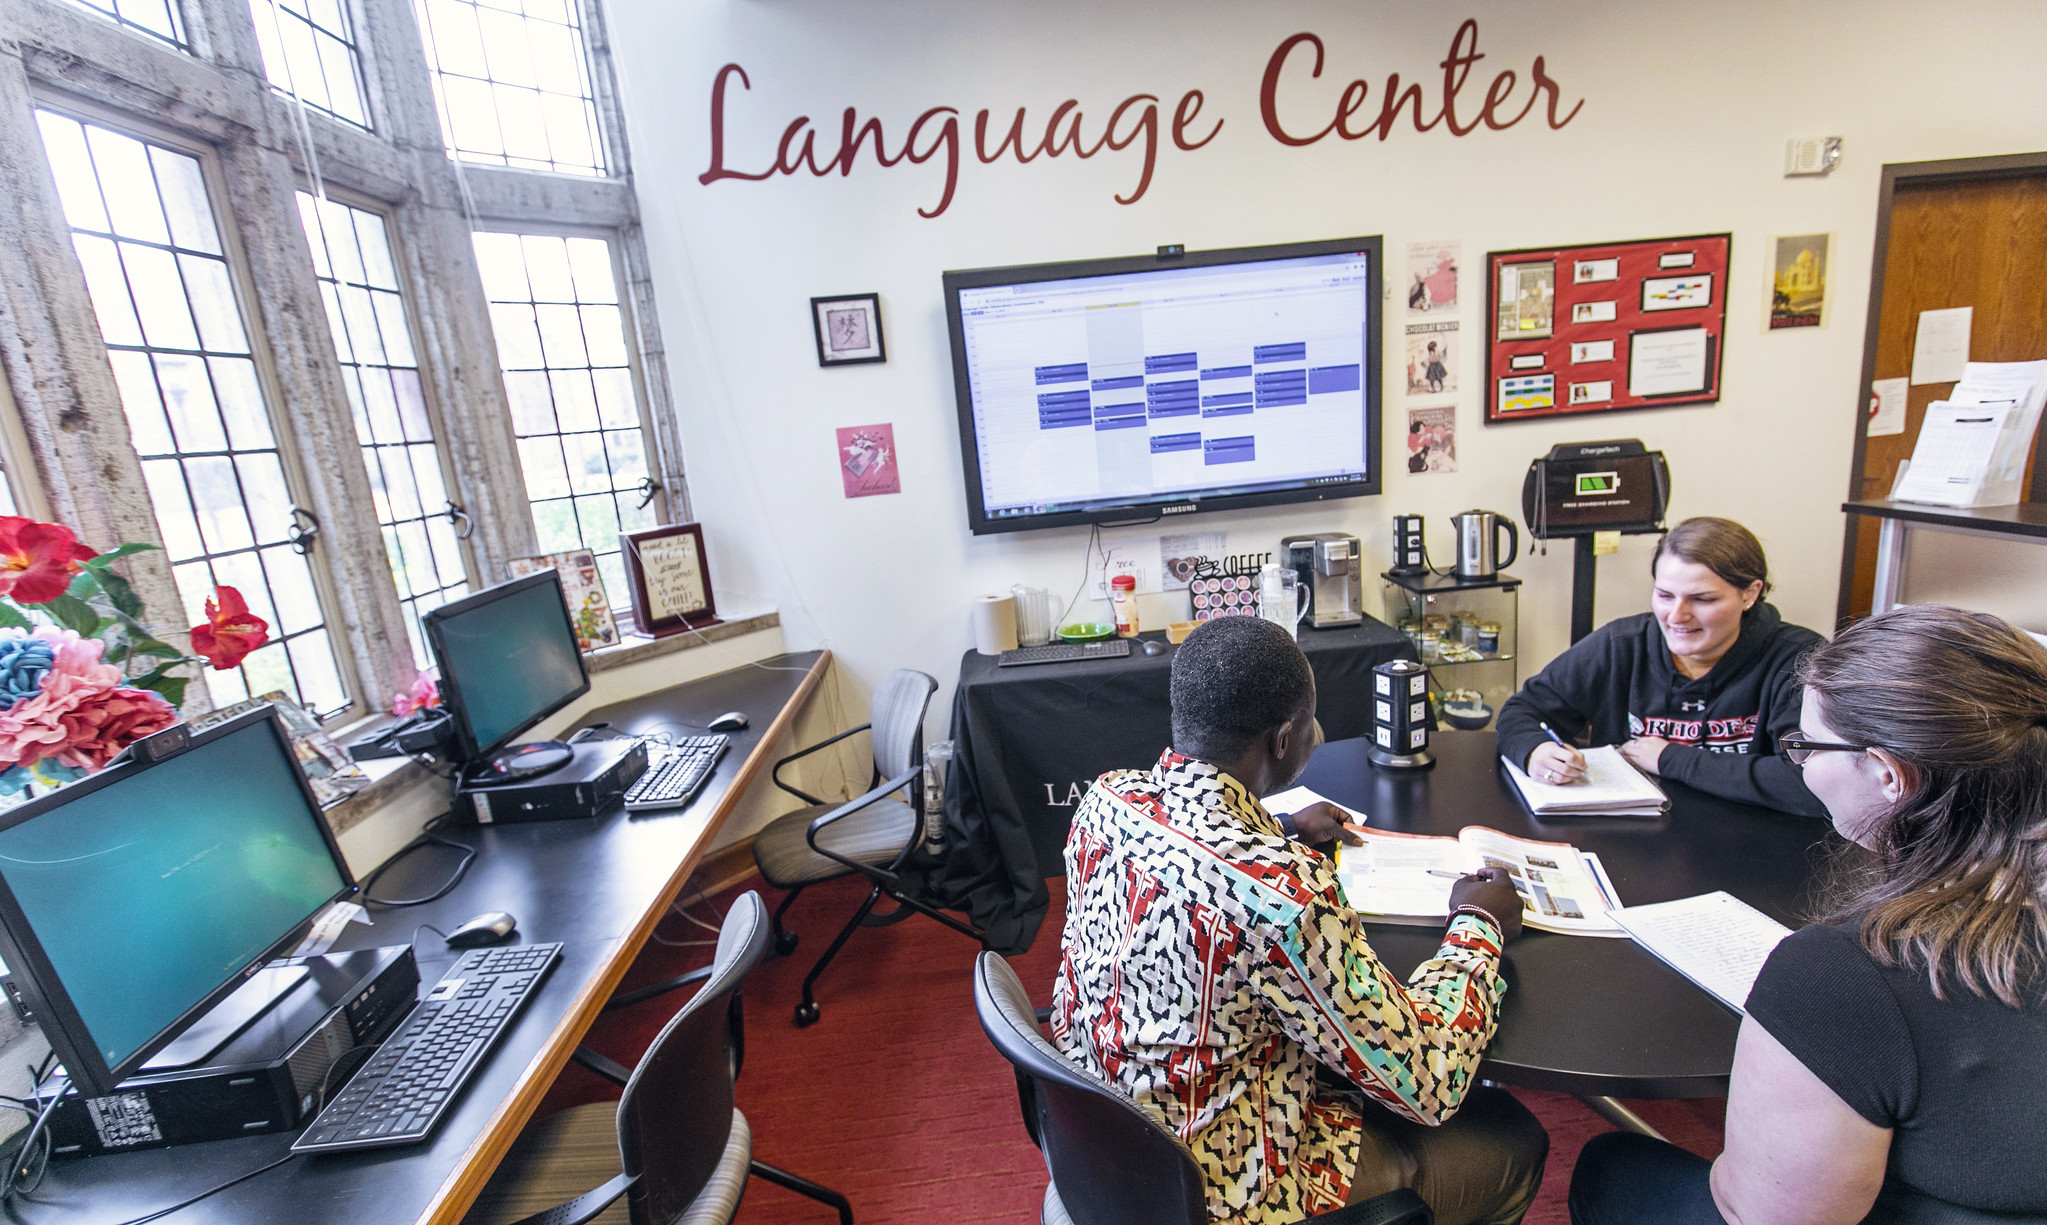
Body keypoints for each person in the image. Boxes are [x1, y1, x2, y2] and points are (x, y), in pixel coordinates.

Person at [1052, 616, 1549, 1225]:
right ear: (1285, 739)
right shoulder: (1284, 897)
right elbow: (1427, 1080)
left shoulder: (1106, 801)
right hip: (1218, 1191)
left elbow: (1191, 866)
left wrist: (1277, 829)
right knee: (1513, 1144)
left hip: (1109, 1140)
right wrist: (1477, 923)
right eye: (1311, 723)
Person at [1569, 604, 2047, 1223]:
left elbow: (1761, 1217)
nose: (1799, 762)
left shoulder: (1848, 974)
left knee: (1610, 1167)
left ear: (1887, 775)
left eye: (1804, 745)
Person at [1495, 517, 1824, 816]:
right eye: (1665, 595)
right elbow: (1522, 711)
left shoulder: (1800, 661)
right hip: (1635, 843)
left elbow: (1814, 783)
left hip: (1755, 847)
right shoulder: (1621, 644)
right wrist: (1535, 751)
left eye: (1702, 599)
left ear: (1750, 594)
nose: (1677, 616)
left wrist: (1670, 759)